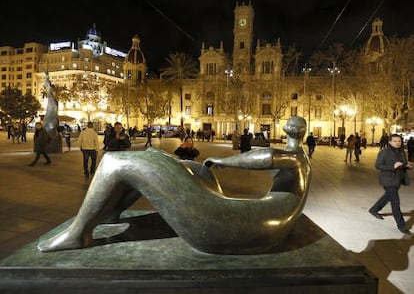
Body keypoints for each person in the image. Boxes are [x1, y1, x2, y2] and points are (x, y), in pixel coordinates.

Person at [37, 116, 311, 253]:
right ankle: (109, 211)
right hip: (257, 226)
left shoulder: (294, 156)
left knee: (116, 162)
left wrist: (223, 160)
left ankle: (78, 233)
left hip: (228, 227)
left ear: (291, 131)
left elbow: (261, 157)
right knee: (183, 166)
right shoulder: (300, 158)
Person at [369, 134, 412, 234]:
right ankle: (401, 225)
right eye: (395, 141)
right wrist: (393, 166)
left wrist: (407, 166)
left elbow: (403, 165)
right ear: (390, 142)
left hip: (398, 180)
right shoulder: (384, 152)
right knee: (395, 202)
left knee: (388, 197)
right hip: (388, 180)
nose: (397, 143)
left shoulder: (402, 152)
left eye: (399, 141)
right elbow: (378, 165)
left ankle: (374, 209)